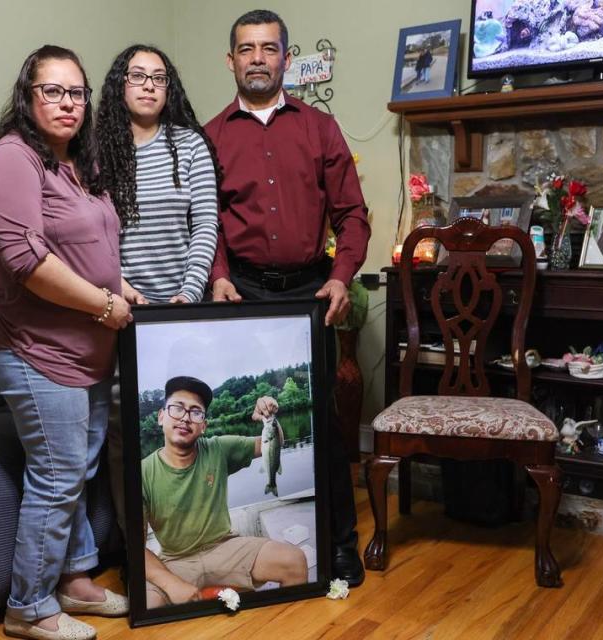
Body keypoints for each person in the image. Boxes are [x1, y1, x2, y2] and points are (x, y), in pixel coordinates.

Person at [204, 9, 371, 586]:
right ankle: (244, 550)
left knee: (323, 420)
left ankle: (341, 544)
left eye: (268, 49)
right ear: (231, 61)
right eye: (246, 49)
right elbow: (208, 223)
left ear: (286, 59)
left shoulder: (320, 128)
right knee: (259, 412)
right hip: (241, 291)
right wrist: (218, 274)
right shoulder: (212, 135)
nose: (257, 58)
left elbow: (351, 213)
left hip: (310, 289)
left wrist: (343, 276)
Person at [0, 45, 131, 640]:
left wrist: (124, 289)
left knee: (79, 468)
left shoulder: (75, 162)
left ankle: (73, 578)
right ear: (28, 96)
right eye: (52, 91)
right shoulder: (11, 160)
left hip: (89, 351)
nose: (67, 103)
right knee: (59, 472)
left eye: (76, 92)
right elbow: (28, 262)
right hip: (35, 351)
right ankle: (29, 606)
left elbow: (93, 249)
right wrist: (105, 305)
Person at [143, 376, 308, 607]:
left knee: (294, 561)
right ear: (161, 416)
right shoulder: (142, 472)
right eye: (177, 408)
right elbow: (136, 548)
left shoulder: (218, 449)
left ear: (204, 425)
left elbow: (274, 441)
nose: (185, 418)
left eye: (196, 412)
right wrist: (172, 584)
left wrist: (269, 416)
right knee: (148, 603)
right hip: (175, 560)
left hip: (225, 546)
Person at [97, 44, 220, 305]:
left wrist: (190, 293)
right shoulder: (96, 152)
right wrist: (117, 286)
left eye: (159, 78)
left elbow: (205, 225)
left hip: (182, 303)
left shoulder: (190, 145)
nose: (149, 85)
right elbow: (89, 235)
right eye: (138, 76)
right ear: (120, 84)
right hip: (118, 302)